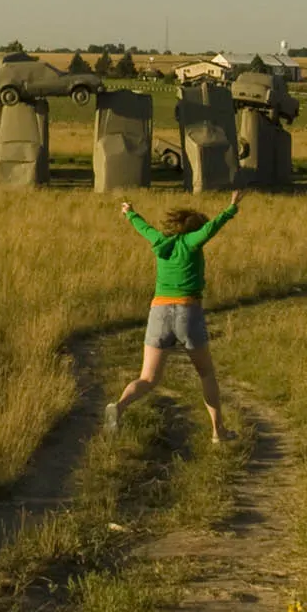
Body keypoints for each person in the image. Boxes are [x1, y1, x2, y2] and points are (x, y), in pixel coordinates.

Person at [105, 189, 247, 443]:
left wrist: (130, 212)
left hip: (158, 311)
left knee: (148, 378)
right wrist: (232, 207)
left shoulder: (160, 242)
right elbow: (213, 228)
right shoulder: (192, 243)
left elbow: (143, 227)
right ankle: (218, 431)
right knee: (205, 373)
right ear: (193, 231)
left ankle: (120, 405)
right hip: (187, 310)